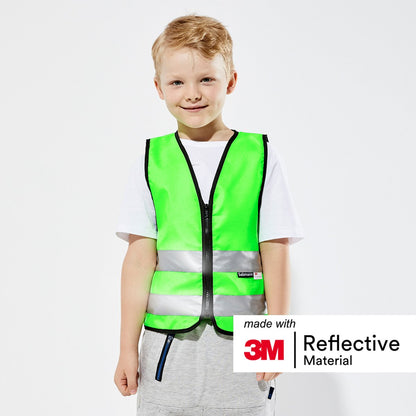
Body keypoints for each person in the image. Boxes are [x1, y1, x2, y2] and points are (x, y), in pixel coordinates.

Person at [113, 14, 304, 416]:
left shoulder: (261, 157)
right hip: (166, 350)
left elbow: (276, 250)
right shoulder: (152, 160)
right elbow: (138, 260)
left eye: (207, 79)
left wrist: (277, 340)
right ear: (158, 87)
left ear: (231, 81)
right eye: (177, 82)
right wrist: (126, 349)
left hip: (242, 346)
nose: (192, 93)